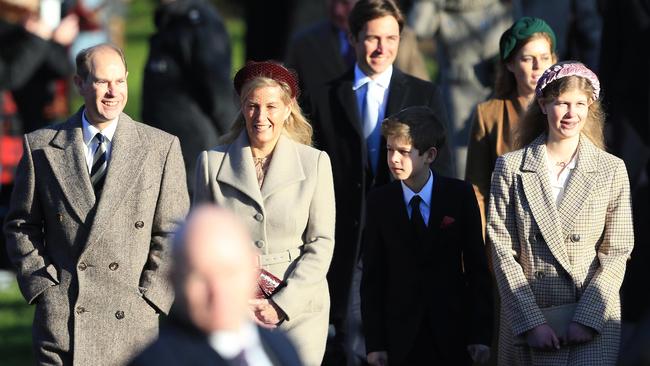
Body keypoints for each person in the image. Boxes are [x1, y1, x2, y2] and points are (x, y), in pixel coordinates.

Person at [3, 43, 190, 365]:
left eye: (119, 81)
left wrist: (151, 297)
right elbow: (21, 224)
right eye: (102, 81)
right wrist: (44, 288)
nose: (112, 92)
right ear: (79, 83)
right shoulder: (42, 146)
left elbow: (174, 232)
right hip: (64, 322)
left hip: (132, 323)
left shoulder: (160, 147)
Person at [304, 1, 454, 363]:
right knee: (350, 340)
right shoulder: (323, 95)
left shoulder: (424, 95)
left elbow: (442, 172)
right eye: (372, 38)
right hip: (345, 239)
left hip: (405, 238)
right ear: (353, 37)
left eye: (391, 38)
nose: (381, 48)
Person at [487, 61, 634, 365]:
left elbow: (617, 251)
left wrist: (588, 317)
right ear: (542, 104)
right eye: (562, 103)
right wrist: (531, 322)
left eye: (580, 104)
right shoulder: (511, 167)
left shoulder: (611, 169)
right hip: (528, 321)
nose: (571, 113)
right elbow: (501, 250)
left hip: (588, 325)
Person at [193, 61, 335, 366]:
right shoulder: (211, 163)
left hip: (299, 310)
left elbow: (321, 243)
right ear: (241, 108)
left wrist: (282, 305)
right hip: (234, 308)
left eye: (271, 106)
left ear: (288, 109)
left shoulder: (315, 163)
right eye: (252, 105)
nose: (261, 116)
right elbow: (202, 247)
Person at [361, 106, 493, 365]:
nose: (394, 159)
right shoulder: (380, 201)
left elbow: (478, 269)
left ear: (430, 154)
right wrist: (375, 344)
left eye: (404, 152)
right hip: (399, 337)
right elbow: (373, 278)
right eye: (389, 150)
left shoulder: (460, 196)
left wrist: (480, 334)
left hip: (453, 335)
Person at [131, 205, 303, 366]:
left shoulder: (280, 346)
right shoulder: (155, 361)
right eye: (200, 277)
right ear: (173, 279)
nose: (217, 291)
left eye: (228, 273)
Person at [466, 17, 557, 232]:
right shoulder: (488, 114)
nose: (538, 67)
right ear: (510, 64)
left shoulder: (568, 110)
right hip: (508, 233)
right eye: (528, 59)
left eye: (545, 58)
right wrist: (483, 246)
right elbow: (476, 189)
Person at [408, 0, 513, 178]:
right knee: (461, 164)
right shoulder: (441, 6)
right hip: (457, 91)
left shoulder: (498, 6)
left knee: (502, 156)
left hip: (496, 86)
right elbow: (417, 28)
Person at [142, 0, 237, 196]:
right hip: (165, 149)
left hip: (194, 150)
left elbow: (217, 88)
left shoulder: (200, 22)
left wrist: (233, 136)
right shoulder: (170, 18)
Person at [286, 0, 429, 98]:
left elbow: (419, 92)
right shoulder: (305, 43)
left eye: (345, 3)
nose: (337, 10)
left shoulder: (403, 38)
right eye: (332, 2)